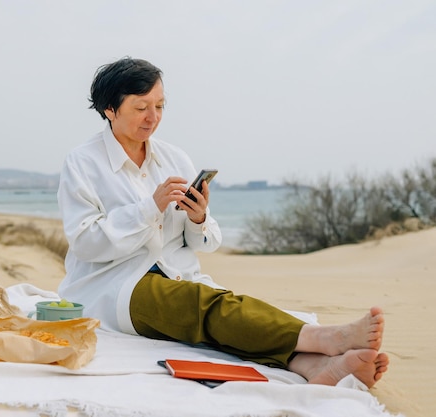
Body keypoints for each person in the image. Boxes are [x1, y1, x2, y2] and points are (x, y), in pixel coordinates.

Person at [56, 56, 389, 388]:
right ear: (110, 110)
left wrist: (198, 217)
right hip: (115, 283)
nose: (153, 117)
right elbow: (85, 243)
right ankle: (327, 338)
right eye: (141, 107)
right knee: (206, 307)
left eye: (160, 105)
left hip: (177, 273)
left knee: (216, 316)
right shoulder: (83, 163)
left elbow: (207, 242)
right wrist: (149, 207)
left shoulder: (174, 157)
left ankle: (308, 364)